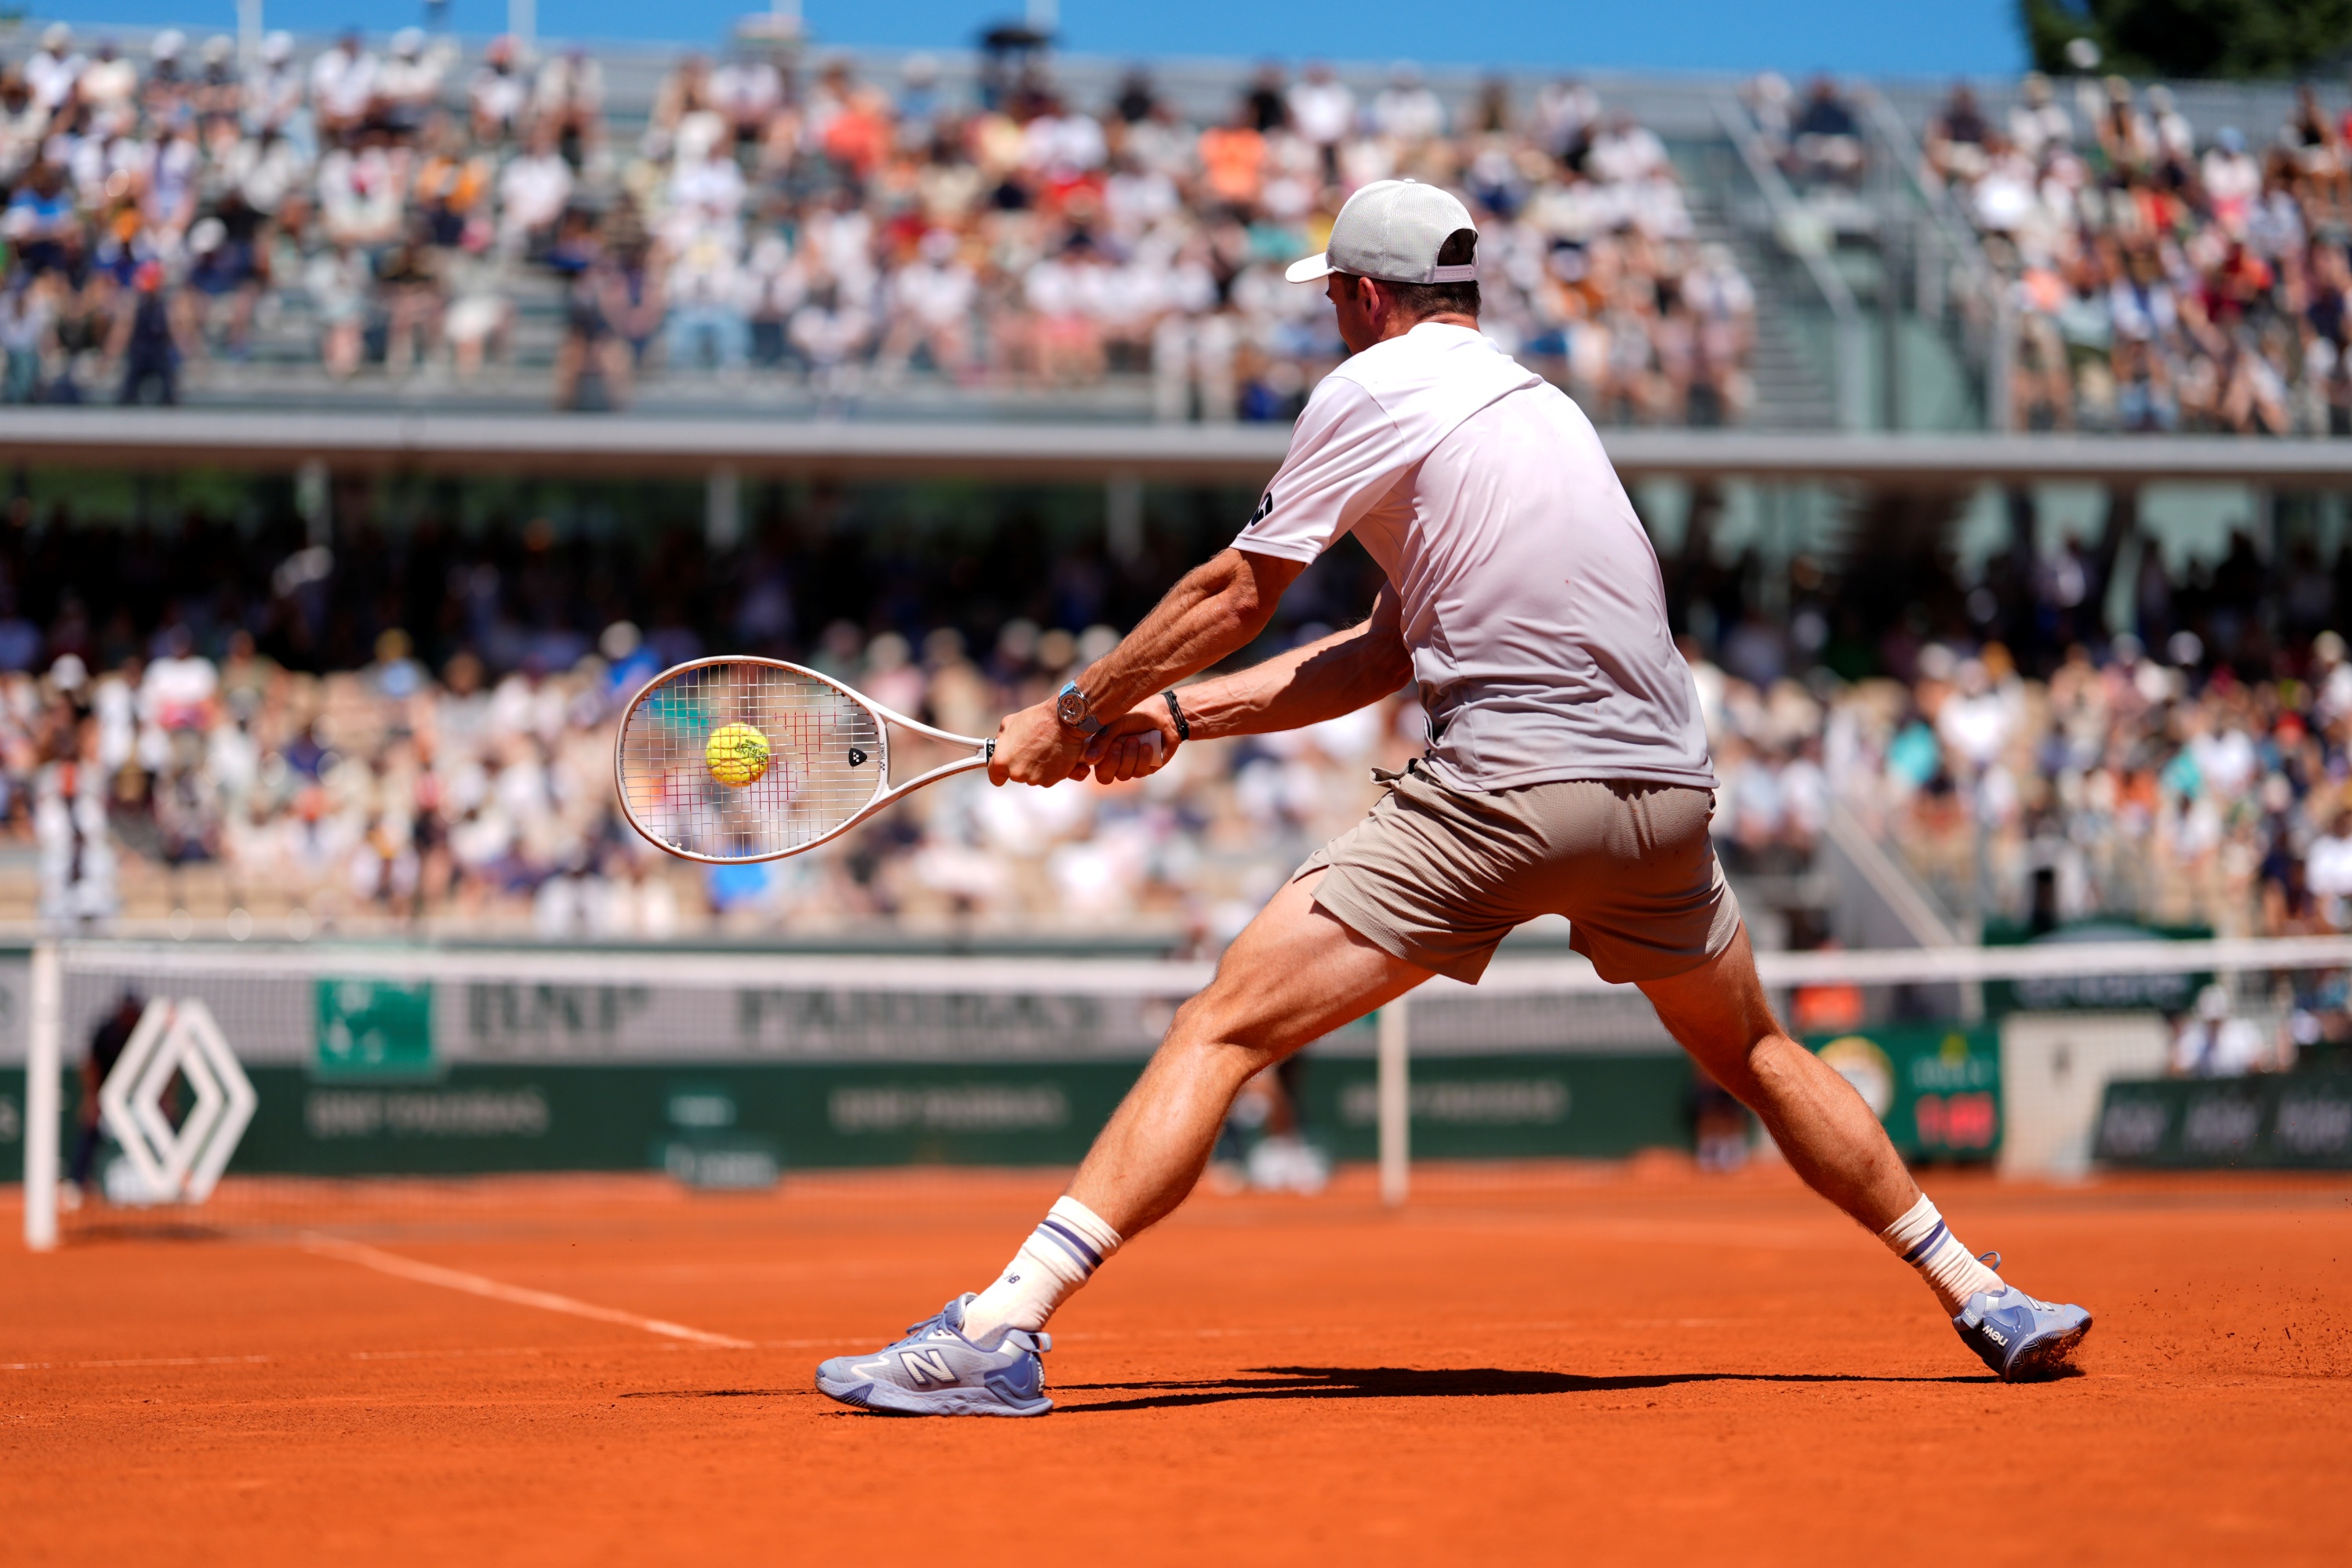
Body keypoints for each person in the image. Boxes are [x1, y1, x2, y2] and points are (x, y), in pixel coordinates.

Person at [813, 179, 2093, 1417]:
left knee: (1223, 1028)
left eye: (1333, 297)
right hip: (1664, 795)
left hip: (1506, 790)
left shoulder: (1370, 385)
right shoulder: (1544, 410)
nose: (1328, 318)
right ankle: (1983, 1293)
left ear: (1367, 296)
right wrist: (1182, 716)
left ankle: (999, 1328)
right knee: (1754, 1051)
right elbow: (1378, 654)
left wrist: (1073, 711)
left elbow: (1231, 593)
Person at [68, 991, 145, 1200]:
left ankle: (171, 1181)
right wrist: (92, 1098)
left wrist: (165, 1098)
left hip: (142, 1098)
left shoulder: (148, 1030)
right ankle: (78, 1182)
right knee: (90, 1130)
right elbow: (90, 1065)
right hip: (107, 1096)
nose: (129, 1015)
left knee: (164, 1131)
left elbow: (168, 1066)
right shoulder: (106, 1031)